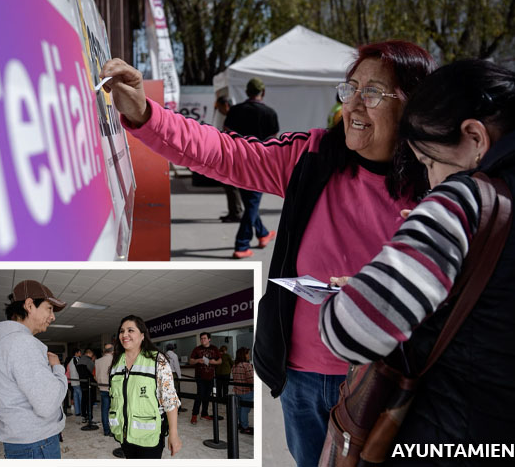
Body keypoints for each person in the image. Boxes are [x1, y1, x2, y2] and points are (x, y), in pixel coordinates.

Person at [100, 40, 434, 465]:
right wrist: (145, 114)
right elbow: (224, 153)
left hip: (386, 379)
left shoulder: (436, 181)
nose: (354, 106)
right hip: (303, 375)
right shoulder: (311, 155)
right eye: (350, 90)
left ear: (414, 105)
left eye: (373, 94)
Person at [319, 59, 515, 464]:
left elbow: (348, 331)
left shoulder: (464, 201)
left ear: (475, 138)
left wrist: (414, 246)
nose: (432, 181)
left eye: (429, 163)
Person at [0, 280, 68, 459]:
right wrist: (57, 368)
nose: (53, 317)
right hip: (37, 443)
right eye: (49, 309)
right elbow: (47, 404)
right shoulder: (23, 343)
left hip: (22, 441)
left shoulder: (4, 342)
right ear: (29, 305)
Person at [108, 315, 182, 458]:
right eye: (122, 331)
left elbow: (170, 399)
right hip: (124, 435)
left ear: (142, 335)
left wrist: (173, 434)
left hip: (150, 437)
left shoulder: (157, 360)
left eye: (131, 330)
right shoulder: (116, 363)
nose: (125, 335)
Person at [222, 77, 279, 259]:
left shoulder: (235, 111)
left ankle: (262, 234)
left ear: (246, 92)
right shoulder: (270, 113)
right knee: (252, 204)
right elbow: (273, 143)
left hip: (238, 162)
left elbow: (225, 136)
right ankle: (241, 245)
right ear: (263, 93)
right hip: (259, 164)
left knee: (250, 203)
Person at [214, 95, 243, 223]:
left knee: (231, 185)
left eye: (219, 108)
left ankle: (236, 212)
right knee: (229, 185)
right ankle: (233, 211)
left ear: (226, 105)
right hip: (231, 155)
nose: (219, 111)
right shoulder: (234, 115)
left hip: (233, 156)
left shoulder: (233, 116)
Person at [187, 332, 221, 424]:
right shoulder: (197, 349)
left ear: (209, 339)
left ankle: (204, 414)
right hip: (200, 376)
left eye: (204, 338)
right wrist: (198, 360)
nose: (202, 340)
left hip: (211, 376)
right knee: (200, 395)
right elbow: (191, 361)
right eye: (201, 338)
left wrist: (214, 362)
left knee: (207, 396)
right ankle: (194, 415)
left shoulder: (214, 348)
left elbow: (220, 360)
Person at [231, 347, 254, 435]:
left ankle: (240, 424)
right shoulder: (247, 365)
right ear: (243, 355)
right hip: (247, 392)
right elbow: (251, 380)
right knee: (245, 410)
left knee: (239, 409)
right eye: (247, 354)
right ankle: (245, 427)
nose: (249, 355)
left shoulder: (235, 365)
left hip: (237, 391)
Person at [94, 343, 115, 436]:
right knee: (115, 410)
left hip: (102, 387)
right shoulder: (115, 360)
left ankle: (106, 430)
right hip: (113, 388)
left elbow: (95, 375)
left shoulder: (97, 361)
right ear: (112, 351)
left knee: (104, 409)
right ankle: (115, 429)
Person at [164, 343, 187, 412]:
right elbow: (177, 367)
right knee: (176, 391)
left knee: (169, 392)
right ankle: (178, 408)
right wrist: (179, 376)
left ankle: (170, 408)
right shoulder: (174, 355)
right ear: (173, 349)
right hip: (173, 375)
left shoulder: (164, 355)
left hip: (166, 375)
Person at [66, 348, 82, 418]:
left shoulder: (70, 361)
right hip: (77, 380)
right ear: (76, 353)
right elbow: (79, 370)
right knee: (80, 396)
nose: (80, 354)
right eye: (79, 352)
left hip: (73, 381)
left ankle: (77, 411)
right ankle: (82, 411)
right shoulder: (77, 360)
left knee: (75, 396)